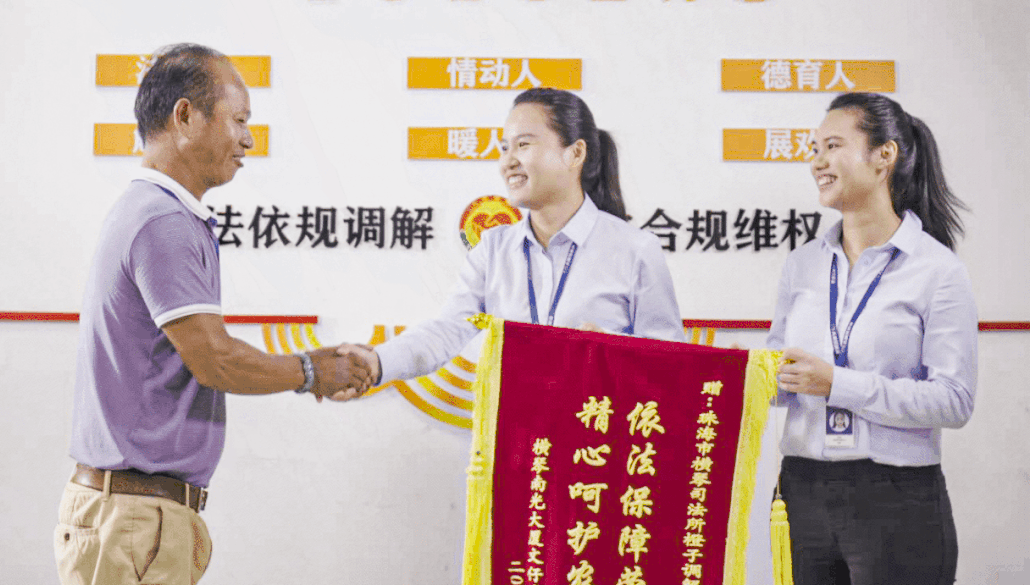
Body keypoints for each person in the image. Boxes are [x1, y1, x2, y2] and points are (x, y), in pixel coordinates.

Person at [55, 44, 371, 584]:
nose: (249, 139)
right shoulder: (163, 221)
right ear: (185, 116)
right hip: (133, 521)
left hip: (137, 516)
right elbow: (215, 360)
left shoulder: (156, 212)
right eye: (239, 120)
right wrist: (312, 371)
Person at [766, 92, 977, 584]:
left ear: (885, 156)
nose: (817, 162)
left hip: (895, 498)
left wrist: (838, 384)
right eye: (814, 149)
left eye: (833, 146)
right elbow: (781, 375)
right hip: (802, 491)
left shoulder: (937, 270)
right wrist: (745, 373)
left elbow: (954, 401)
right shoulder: (803, 264)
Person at [348, 87, 684, 388]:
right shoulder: (493, 249)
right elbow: (446, 329)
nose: (508, 162)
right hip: (515, 434)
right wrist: (376, 363)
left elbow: (672, 366)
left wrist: (613, 352)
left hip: (596, 433)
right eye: (504, 148)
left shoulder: (634, 249)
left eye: (523, 145)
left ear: (575, 154)